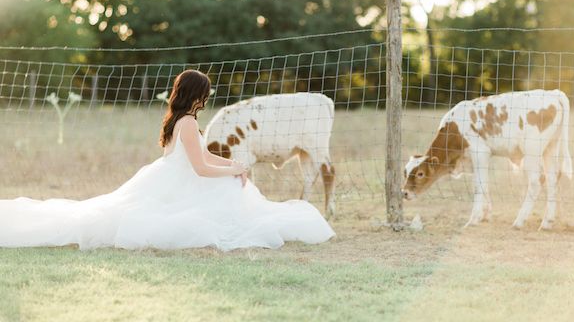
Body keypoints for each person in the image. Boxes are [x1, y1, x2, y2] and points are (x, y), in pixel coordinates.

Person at [0, 70, 335, 250]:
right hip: (180, 181)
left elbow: (201, 156)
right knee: (230, 198)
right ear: (197, 95)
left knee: (235, 191)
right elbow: (202, 167)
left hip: (171, 176)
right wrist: (233, 169)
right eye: (206, 93)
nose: (208, 98)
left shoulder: (179, 121)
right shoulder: (187, 123)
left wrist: (236, 166)